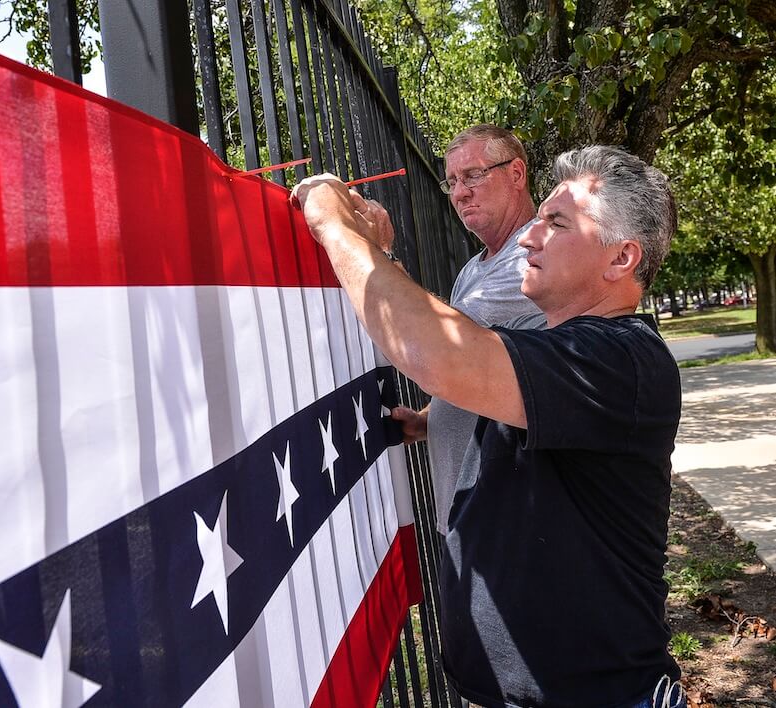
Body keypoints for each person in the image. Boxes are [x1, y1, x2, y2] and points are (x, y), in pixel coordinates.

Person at [292, 146, 683, 707]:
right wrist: (431, 422)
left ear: (621, 258)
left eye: (556, 223)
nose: (529, 237)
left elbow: (443, 356)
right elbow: (485, 390)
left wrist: (332, 223)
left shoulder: (622, 359)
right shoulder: (558, 351)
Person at [392, 125, 543, 536]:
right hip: (468, 518)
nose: (460, 193)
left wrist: (371, 250)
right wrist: (429, 420)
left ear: (516, 173)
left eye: (474, 175)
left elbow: (436, 345)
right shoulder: (475, 267)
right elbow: (483, 370)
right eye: (453, 181)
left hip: (503, 526)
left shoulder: (534, 259)